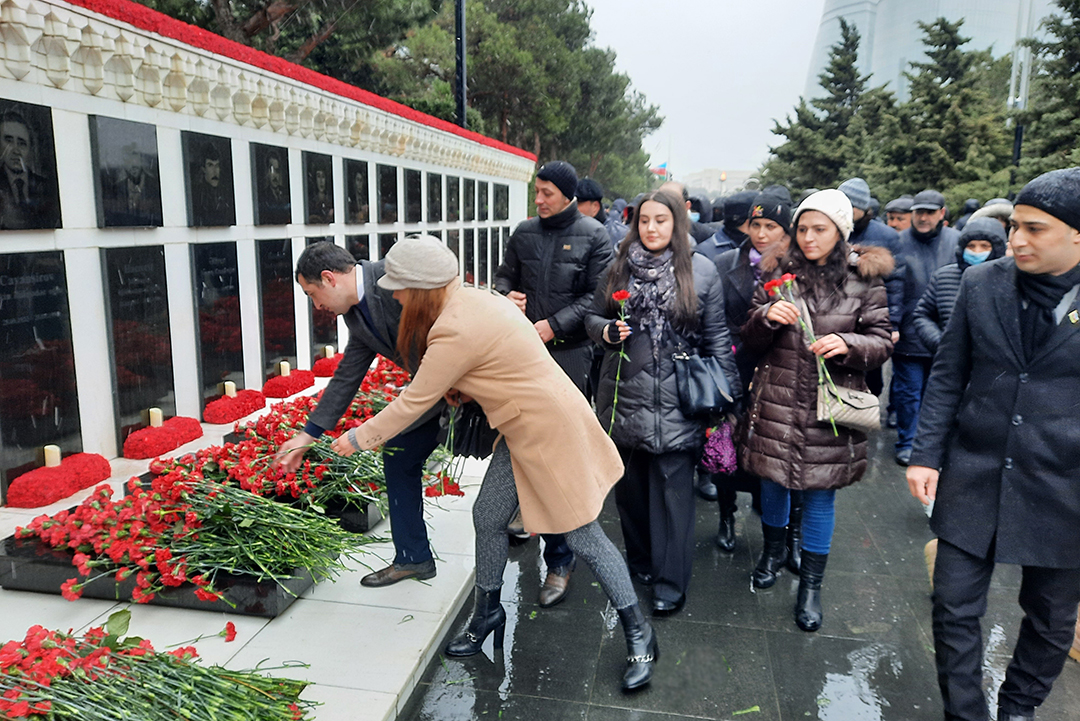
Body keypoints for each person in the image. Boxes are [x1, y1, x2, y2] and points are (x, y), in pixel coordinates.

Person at [334, 236, 659, 691]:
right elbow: (506, 359)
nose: (395, 296)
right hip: (525, 424)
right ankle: (487, 613)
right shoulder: (477, 299)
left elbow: (413, 402)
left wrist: (357, 437)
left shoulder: (453, 329)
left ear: (423, 288)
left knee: (583, 533)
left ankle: (638, 631)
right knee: (488, 515)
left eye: (401, 288)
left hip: (548, 432)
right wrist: (468, 386)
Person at [906, 167, 1080, 721]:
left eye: (1035, 229)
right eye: (1015, 228)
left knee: (1051, 618)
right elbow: (949, 373)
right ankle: (966, 714)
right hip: (975, 471)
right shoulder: (982, 284)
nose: (1017, 240)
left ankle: (1019, 708)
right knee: (953, 604)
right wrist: (926, 453)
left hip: (1065, 486)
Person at [741, 189, 893, 631]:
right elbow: (749, 333)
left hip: (829, 405)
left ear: (841, 232)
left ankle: (811, 585)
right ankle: (771, 551)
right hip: (779, 398)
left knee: (820, 493)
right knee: (773, 481)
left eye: (819, 229)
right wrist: (768, 315)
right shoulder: (777, 272)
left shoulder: (863, 279)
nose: (808, 237)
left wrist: (849, 344)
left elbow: (882, 340)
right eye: (803, 228)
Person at [585, 189, 741, 615]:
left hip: (679, 399)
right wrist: (605, 332)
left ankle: (672, 582)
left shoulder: (702, 272)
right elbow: (591, 317)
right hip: (625, 394)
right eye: (645, 221)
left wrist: (727, 404)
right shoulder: (618, 268)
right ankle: (640, 565)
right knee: (631, 496)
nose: (652, 229)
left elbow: (717, 339)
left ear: (677, 224)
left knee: (674, 499)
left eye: (661, 220)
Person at [275, 242, 444, 587]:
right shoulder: (356, 312)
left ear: (329, 278)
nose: (318, 306)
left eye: (312, 295)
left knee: (524, 468)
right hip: (433, 390)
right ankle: (414, 558)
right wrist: (307, 436)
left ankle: (559, 558)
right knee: (399, 454)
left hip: (472, 381)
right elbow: (348, 375)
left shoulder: (394, 274)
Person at [494, 160, 613, 608]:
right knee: (521, 446)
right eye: (536, 192)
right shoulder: (524, 232)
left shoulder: (594, 235)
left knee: (556, 459)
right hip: (521, 355)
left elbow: (596, 299)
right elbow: (504, 275)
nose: (538, 200)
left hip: (567, 356)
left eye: (546, 192)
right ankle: (525, 515)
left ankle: (560, 561)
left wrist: (553, 326)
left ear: (567, 193)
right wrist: (506, 293)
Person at [710, 191, 791, 554]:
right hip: (735, 367)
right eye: (755, 224)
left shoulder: (794, 265)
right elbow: (716, 319)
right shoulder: (728, 261)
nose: (760, 233)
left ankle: (783, 528)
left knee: (774, 454)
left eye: (770, 226)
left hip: (779, 374)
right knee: (726, 448)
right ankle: (726, 515)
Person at [892, 189, 960, 466]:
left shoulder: (956, 241)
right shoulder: (899, 242)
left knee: (938, 392)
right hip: (909, 333)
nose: (923, 218)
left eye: (929, 212)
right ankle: (907, 441)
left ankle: (932, 446)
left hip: (947, 334)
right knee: (908, 393)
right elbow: (892, 287)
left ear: (941, 214)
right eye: (919, 212)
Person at [911, 217, 1008, 355]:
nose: (977, 251)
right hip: (950, 361)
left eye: (985, 246)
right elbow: (922, 315)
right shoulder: (943, 277)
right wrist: (941, 343)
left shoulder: (1010, 279)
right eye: (971, 246)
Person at [0, 110, 59, 229]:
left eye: (22, 143)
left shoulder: (47, 187)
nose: (16, 150)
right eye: (9, 141)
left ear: (31, 149)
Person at [190, 142, 232, 227]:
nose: (215, 171)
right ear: (203, 169)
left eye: (217, 165)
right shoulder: (197, 195)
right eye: (210, 165)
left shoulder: (226, 193)